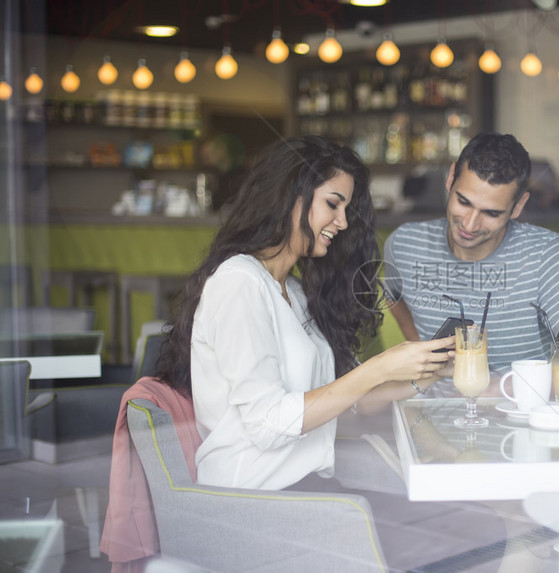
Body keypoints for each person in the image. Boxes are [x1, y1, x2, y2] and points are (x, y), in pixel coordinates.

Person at [156, 136, 454, 491]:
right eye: (333, 204)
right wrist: (381, 366)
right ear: (291, 196)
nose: (342, 222)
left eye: (346, 210)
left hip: (302, 485)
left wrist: (425, 376)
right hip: (255, 496)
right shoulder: (240, 283)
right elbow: (267, 425)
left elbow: (352, 400)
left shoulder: (293, 292)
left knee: (447, 511)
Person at [384, 132, 559, 388]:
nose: (470, 224)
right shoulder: (403, 244)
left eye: (491, 213)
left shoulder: (546, 255)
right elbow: (392, 295)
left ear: (518, 206)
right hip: (426, 419)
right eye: (463, 202)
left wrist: (494, 391)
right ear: (450, 178)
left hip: (519, 421)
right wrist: (422, 351)